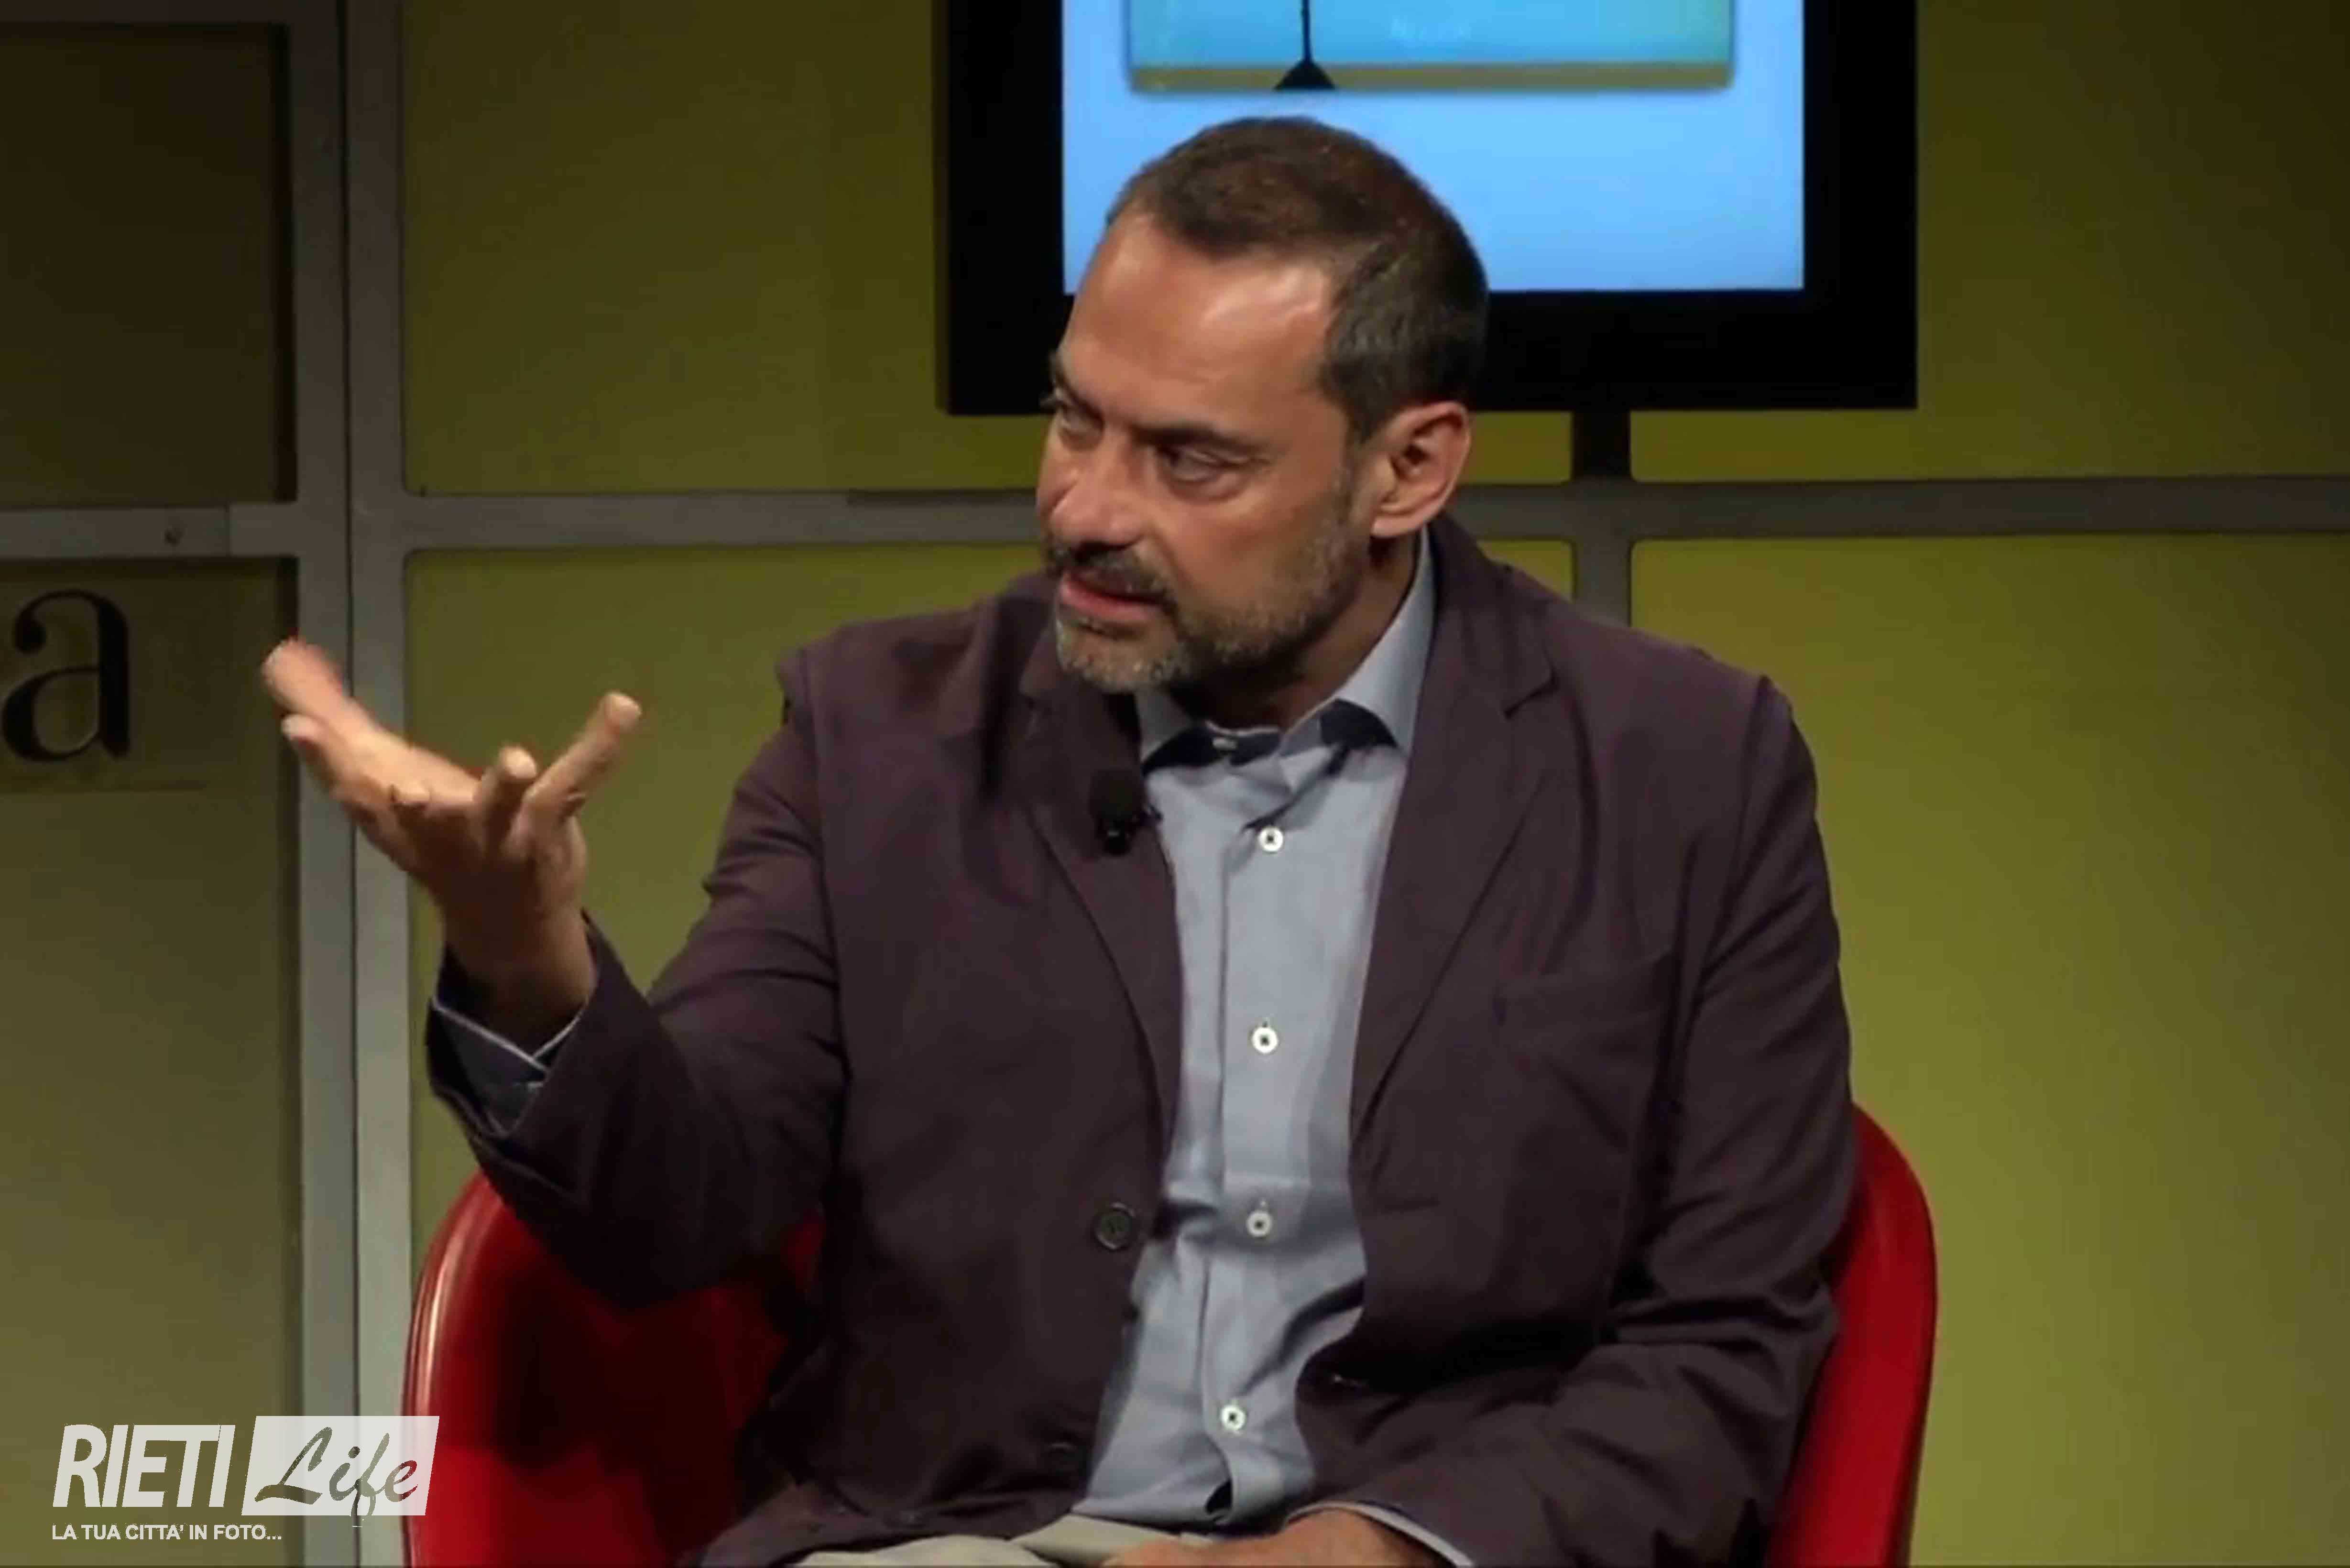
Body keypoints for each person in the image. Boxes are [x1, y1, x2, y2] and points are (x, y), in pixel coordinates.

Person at [263, 117, 1853, 1567]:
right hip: (960, 1541)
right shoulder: (877, 738)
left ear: (1409, 469)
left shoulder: (1684, 771)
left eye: (1189, 458)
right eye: (1075, 420)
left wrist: (1367, 1555)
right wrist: (523, 954)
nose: (1087, 508)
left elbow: (1725, 1344)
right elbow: (673, 1212)